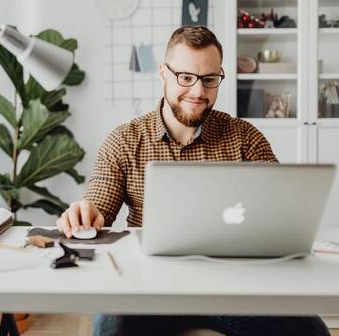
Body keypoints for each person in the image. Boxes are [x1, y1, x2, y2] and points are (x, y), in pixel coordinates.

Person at [56, 26, 330, 336]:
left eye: (209, 80)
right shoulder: (124, 140)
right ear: (163, 73)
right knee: (111, 326)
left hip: (235, 288)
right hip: (150, 288)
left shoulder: (245, 138)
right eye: (185, 77)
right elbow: (98, 205)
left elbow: (282, 214)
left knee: (311, 331)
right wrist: (86, 213)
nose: (198, 92)